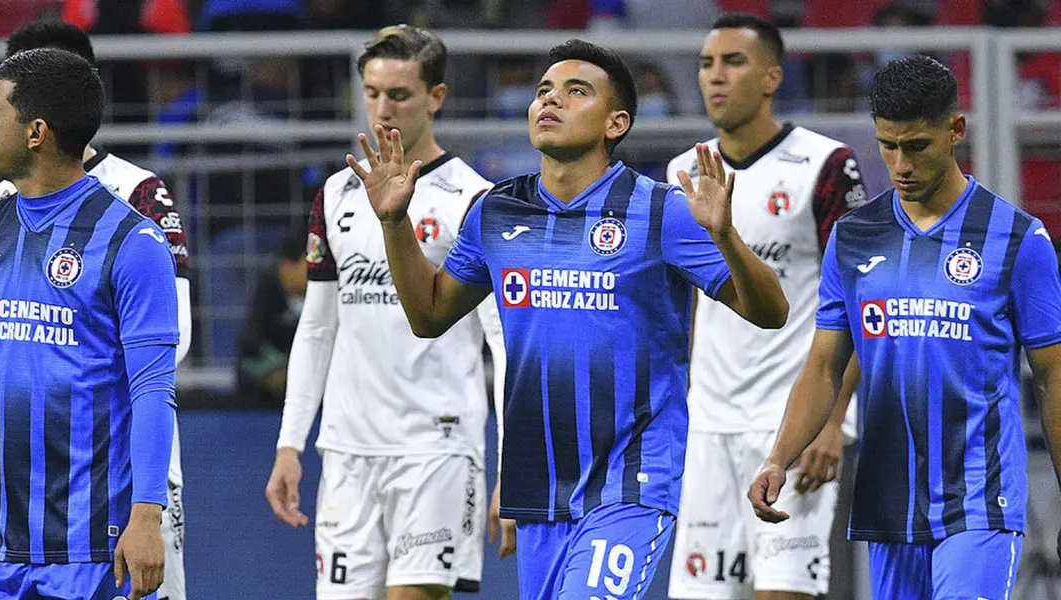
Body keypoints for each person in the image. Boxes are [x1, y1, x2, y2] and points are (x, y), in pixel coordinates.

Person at [348, 38, 789, 599]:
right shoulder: (496, 210)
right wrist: (394, 224)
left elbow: (771, 312)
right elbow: (430, 314)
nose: (550, 101)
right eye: (543, 91)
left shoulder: (661, 210)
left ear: (616, 122)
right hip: (540, 485)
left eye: (576, 91)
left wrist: (725, 237)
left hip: (631, 481)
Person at [749, 54, 1061, 599]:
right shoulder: (854, 238)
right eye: (887, 146)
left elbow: (1053, 379)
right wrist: (780, 456)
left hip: (981, 502)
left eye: (916, 145)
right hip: (889, 502)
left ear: (955, 130)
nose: (900, 165)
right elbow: (824, 366)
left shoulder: (1018, 239)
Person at [0, 48, 178, 600]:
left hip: (91, 548)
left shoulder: (133, 242)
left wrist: (146, 515)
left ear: (36, 132)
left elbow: (153, 387)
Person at [263, 25, 511, 600]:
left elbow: (503, 341)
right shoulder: (336, 194)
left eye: (398, 94)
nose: (382, 108)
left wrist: (513, 462)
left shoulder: (473, 200)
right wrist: (289, 443)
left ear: (437, 97)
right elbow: (319, 325)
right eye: (372, 92)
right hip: (348, 448)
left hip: (439, 447)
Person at [665, 14, 867, 600]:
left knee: (782, 593)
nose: (715, 76)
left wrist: (833, 420)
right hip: (707, 428)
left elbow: (856, 302)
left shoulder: (826, 166)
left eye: (734, 62)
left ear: (773, 76)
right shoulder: (684, 174)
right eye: (706, 64)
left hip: (790, 427)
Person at [236, 224, 308, 408]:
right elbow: (251, 340)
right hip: (274, 377)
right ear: (286, 266)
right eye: (308, 264)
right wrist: (275, 368)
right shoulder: (268, 290)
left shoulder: (325, 291)